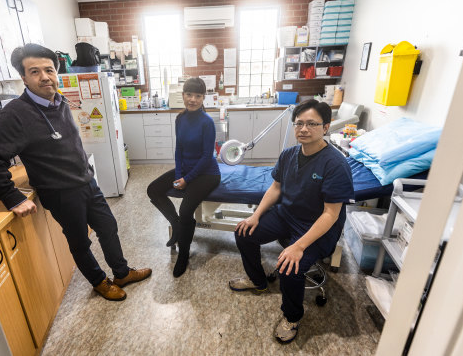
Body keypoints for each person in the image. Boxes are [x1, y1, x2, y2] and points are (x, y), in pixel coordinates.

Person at [0, 43, 151, 301]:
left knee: (108, 227)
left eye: (49, 70)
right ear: (23, 78)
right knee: (80, 242)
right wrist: (12, 197)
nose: (44, 77)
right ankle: (99, 282)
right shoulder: (16, 113)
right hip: (60, 193)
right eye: (35, 72)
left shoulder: (59, 101)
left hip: (86, 183)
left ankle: (121, 272)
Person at [228, 99, 353, 343]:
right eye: (299, 124)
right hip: (288, 215)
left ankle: (292, 316)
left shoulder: (335, 164)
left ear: (326, 127)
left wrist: (298, 246)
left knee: (290, 267)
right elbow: (275, 188)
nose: (303, 129)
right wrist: (256, 216)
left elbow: (331, 214)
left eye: (311, 124)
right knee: (244, 233)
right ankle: (257, 281)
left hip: (318, 229)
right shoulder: (288, 155)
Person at [147, 77, 221, 278]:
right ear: (183, 95)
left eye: (198, 96)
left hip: (207, 173)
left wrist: (187, 180)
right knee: (153, 190)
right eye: (189, 94)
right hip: (186, 170)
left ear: (203, 97)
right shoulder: (180, 119)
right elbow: (179, 149)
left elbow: (207, 157)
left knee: (186, 209)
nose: (193, 99)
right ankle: (177, 226)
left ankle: (184, 253)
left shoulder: (207, 122)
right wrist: (179, 175)